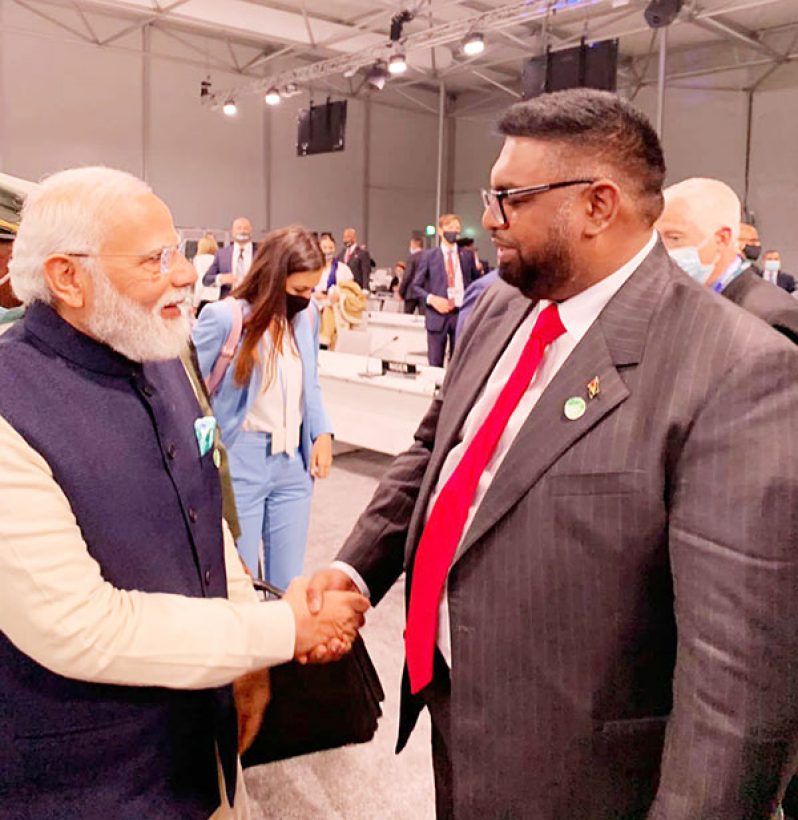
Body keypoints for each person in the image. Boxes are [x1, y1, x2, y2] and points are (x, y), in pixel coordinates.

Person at [305, 89, 798, 818]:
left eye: (509, 198)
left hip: (585, 770)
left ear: (598, 206)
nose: (489, 220)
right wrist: (355, 568)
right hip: (456, 709)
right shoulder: (503, 303)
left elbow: (738, 683)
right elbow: (433, 453)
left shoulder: (734, 369)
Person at [0, 167, 369, 818]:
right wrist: (282, 626)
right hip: (94, 782)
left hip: (207, 752)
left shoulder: (161, 352)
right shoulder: (11, 406)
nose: (184, 273)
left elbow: (208, 519)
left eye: (179, 250)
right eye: (155, 258)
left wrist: (249, 662)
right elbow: (80, 627)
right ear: (66, 277)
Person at [192, 225, 334, 587]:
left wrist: (322, 433)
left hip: (293, 465)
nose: (307, 297)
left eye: (312, 289)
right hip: (242, 460)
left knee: (287, 585)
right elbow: (189, 392)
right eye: (300, 289)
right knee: (241, 582)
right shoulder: (225, 318)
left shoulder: (307, 316)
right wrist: (205, 454)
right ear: (274, 278)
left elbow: (311, 382)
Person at [657, 178, 798, 343]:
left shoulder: (770, 316)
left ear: (721, 239)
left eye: (674, 238)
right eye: (657, 238)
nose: (662, 249)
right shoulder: (679, 300)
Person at [413, 213, 479, 367]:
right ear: (441, 230)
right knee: (435, 362)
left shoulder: (467, 256)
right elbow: (416, 286)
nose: (454, 232)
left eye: (457, 229)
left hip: (461, 313)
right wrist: (432, 299)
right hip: (437, 315)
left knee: (458, 363)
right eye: (450, 228)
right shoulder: (429, 256)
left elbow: (476, 283)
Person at [203, 216, 257, 300]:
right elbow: (206, 280)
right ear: (232, 232)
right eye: (239, 228)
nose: (242, 231)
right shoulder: (222, 254)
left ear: (251, 231)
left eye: (246, 228)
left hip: (255, 304)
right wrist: (221, 278)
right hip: (229, 304)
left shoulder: (261, 252)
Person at [455, 268, 498, 338]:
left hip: (459, 305)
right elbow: (464, 337)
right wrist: (431, 299)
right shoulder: (483, 286)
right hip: (439, 313)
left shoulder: (466, 257)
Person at [316, 231, 353, 300]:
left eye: (331, 248)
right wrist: (314, 295)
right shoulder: (311, 269)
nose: (328, 251)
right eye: (324, 248)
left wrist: (339, 295)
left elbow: (351, 291)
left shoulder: (344, 269)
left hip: (336, 307)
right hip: (315, 307)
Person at [338, 226, 371, 292]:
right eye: (344, 237)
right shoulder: (342, 253)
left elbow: (365, 272)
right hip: (344, 288)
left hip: (358, 288)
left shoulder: (362, 253)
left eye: (348, 237)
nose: (345, 240)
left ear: (354, 238)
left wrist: (365, 288)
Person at [399, 236, 425, 314]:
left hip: (411, 292)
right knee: (423, 318)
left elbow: (407, 276)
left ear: (413, 245)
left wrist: (401, 292)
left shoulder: (412, 258)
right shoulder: (428, 257)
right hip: (424, 292)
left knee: (407, 317)